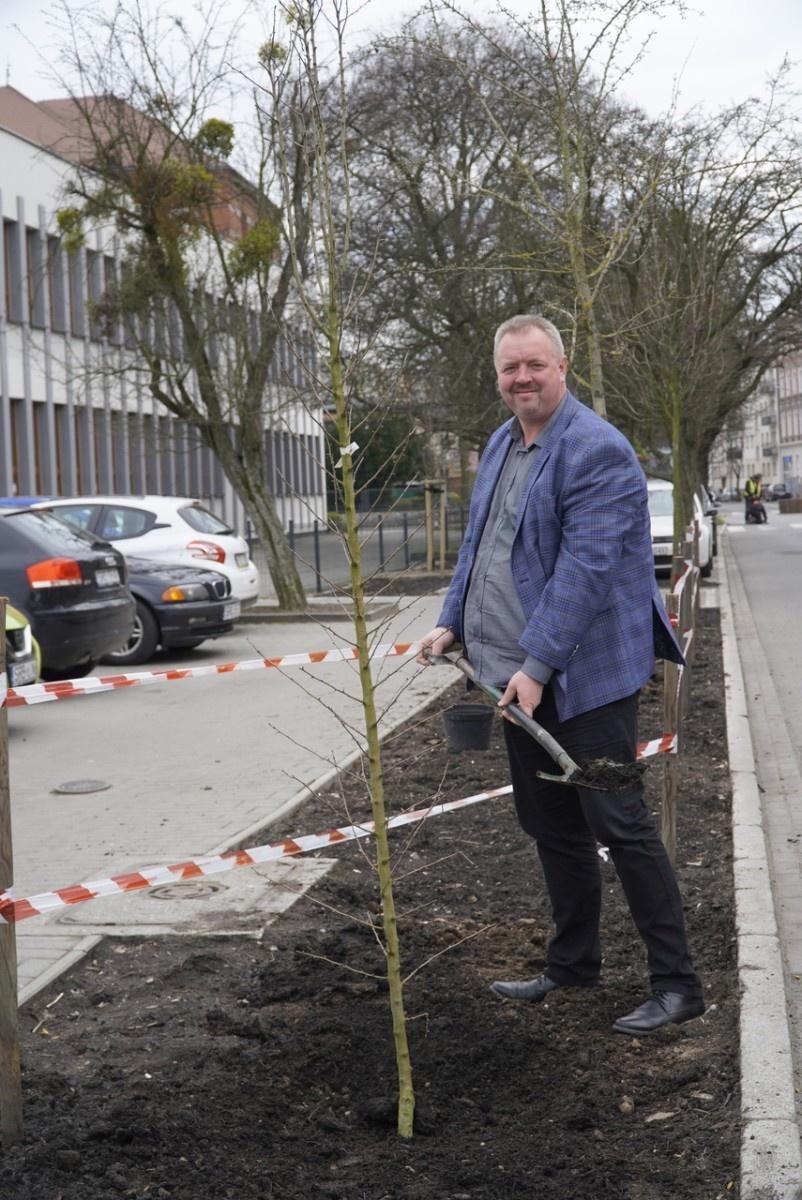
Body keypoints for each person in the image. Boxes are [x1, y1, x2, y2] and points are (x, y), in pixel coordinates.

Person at [417, 314, 704, 1036]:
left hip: (586, 676)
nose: (523, 379)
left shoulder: (597, 451)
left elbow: (585, 573)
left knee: (620, 824)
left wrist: (539, 666)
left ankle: (678, 985)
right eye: (511, 368)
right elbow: (476, 548)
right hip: (513, 677)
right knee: (551, 826)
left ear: (563, 367)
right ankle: (574, 966)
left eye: (535, 366)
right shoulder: (502, 443)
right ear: (497, 376)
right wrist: (451, 619)